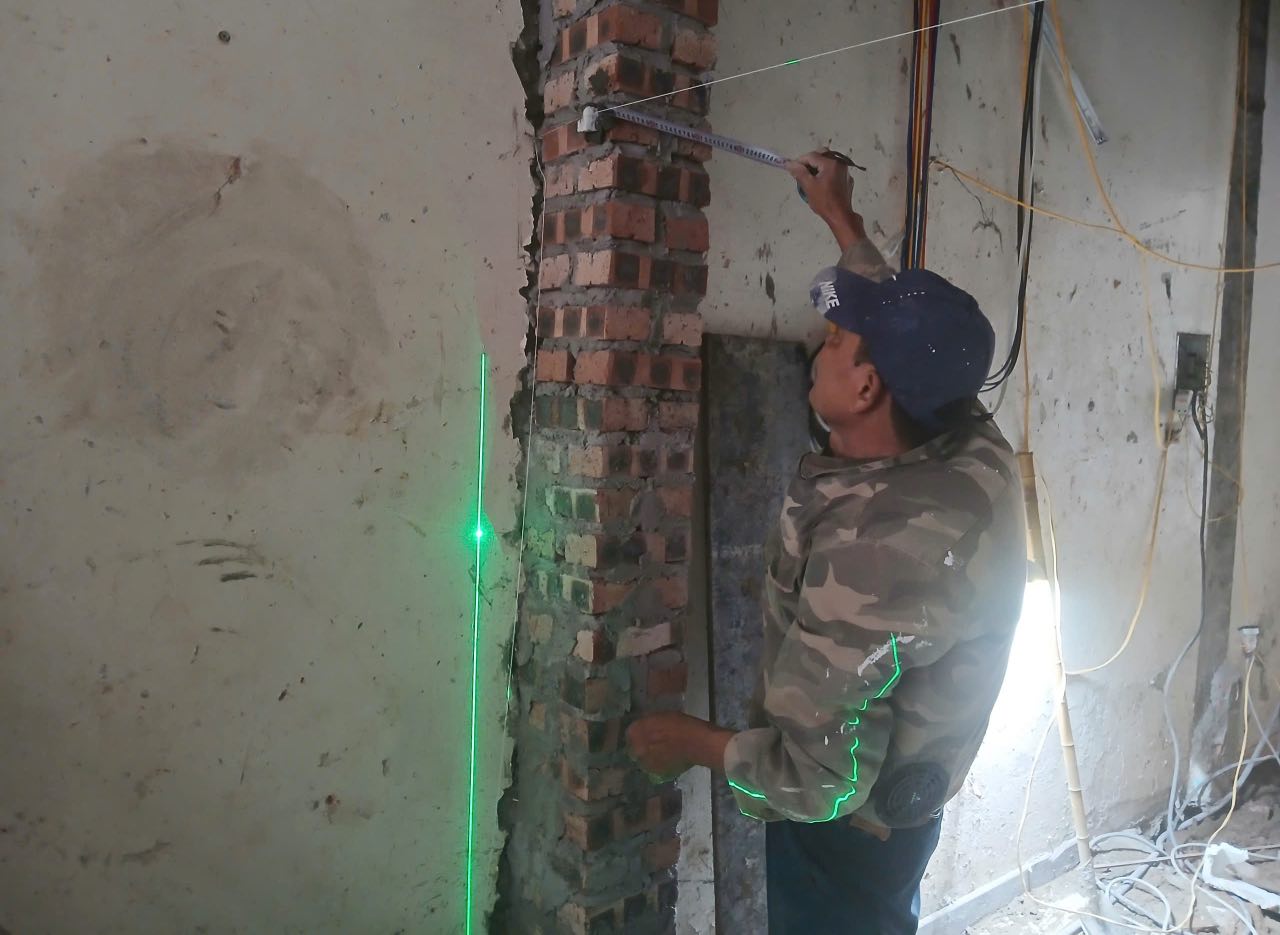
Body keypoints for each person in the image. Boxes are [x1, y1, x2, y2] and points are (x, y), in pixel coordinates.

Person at [625, 152, 1027, 934]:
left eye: (839, 338)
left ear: (869, 389)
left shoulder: (875, 564)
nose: (823, 339)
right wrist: (840, 216)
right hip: (909, 802)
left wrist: (687, 742)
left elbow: (818, 783)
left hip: (847, 836)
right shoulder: (963, 435)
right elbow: (910, 339)